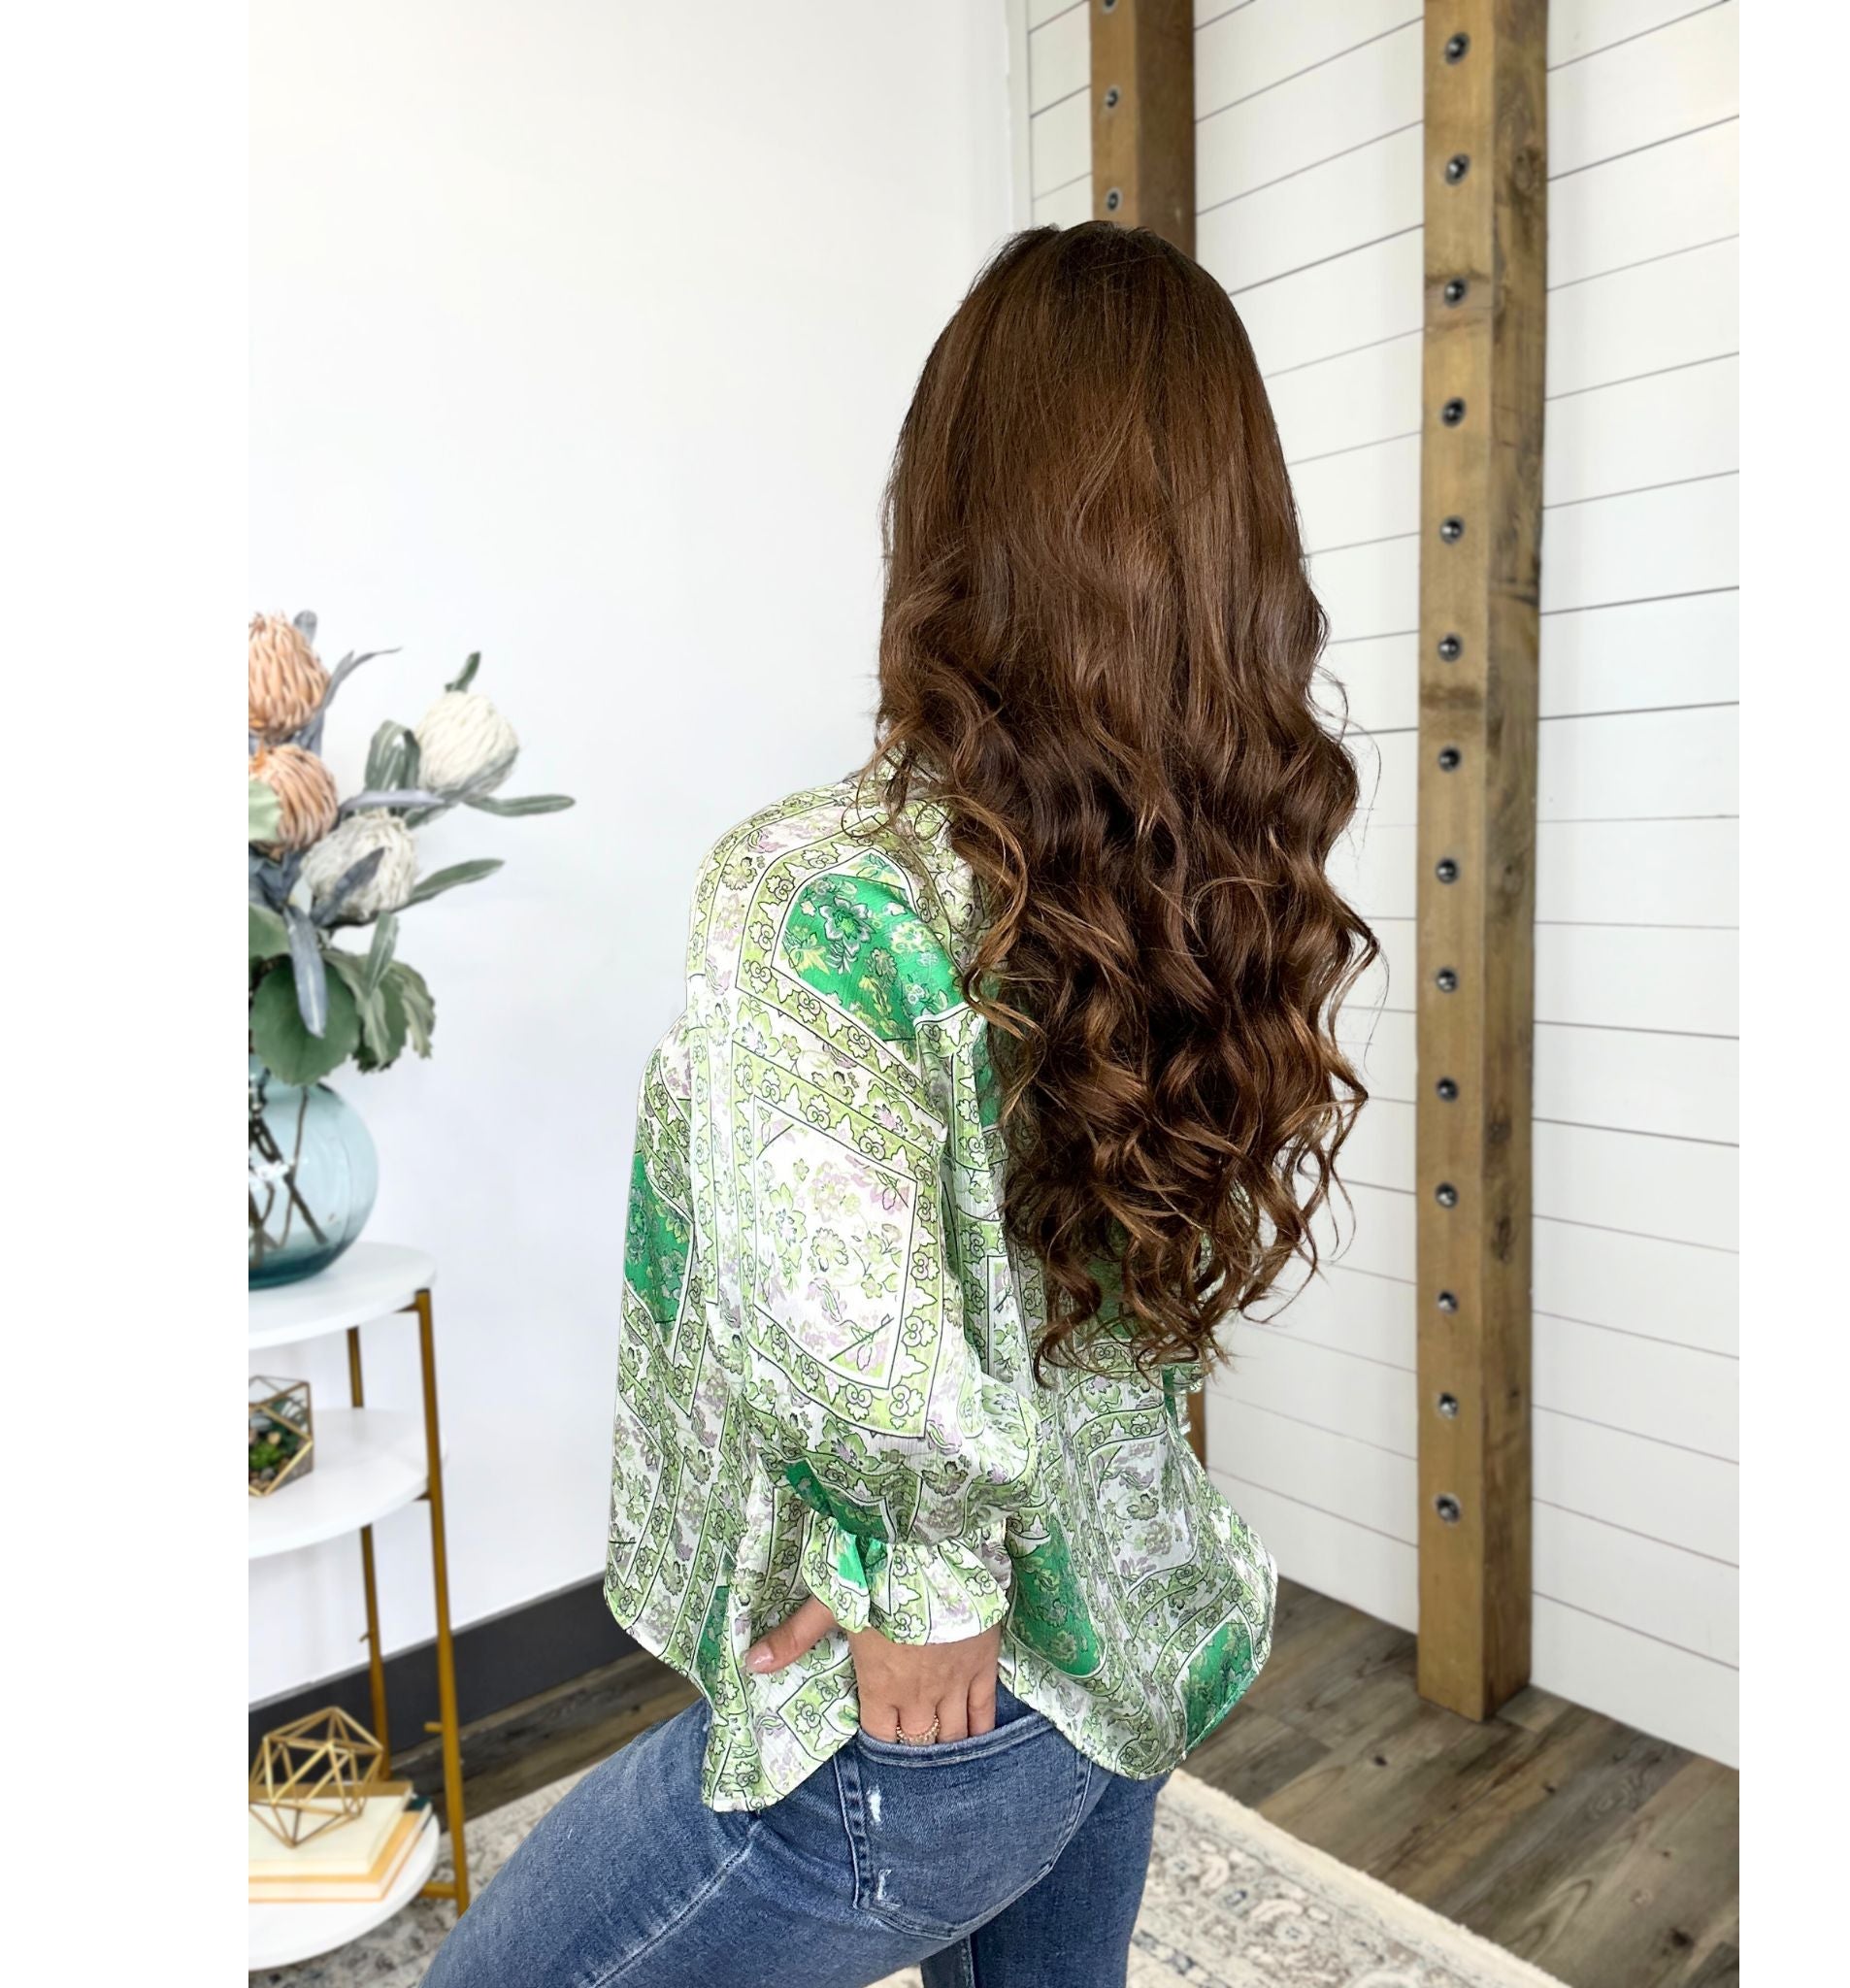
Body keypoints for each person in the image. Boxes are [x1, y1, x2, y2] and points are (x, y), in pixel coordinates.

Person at [425, 220, 1375, 1988]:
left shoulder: (818, 891)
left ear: (948, 519)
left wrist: (928, 1580)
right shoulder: (1200, 883)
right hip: (1124, 1639)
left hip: (934, 1706)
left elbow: (843, 1308)